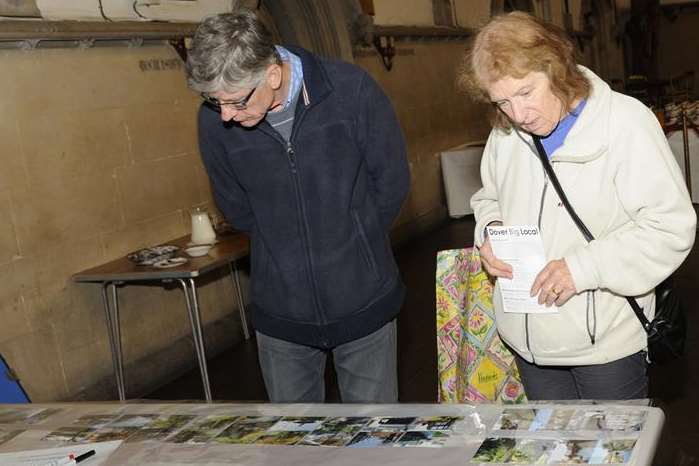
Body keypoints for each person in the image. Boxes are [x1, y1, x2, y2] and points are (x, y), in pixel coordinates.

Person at [460, 12, 696, 400]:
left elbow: (670, 227)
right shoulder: (505, 133)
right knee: (551, 453)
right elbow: (489, 196)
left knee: (612, 457)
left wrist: (582, 267)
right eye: (501, 101)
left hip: (604, 346)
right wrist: (491, 230)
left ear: (555, 69)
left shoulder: (624, 123)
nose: (518, 115)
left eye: (525, 93)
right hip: (528, 340)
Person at [185, 10, 410, 403]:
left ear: (272, 75)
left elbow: (391, 182)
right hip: (281, 313)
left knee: (377, 442)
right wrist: (282, 250)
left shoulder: (350, 90)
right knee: (294, 448)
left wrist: (357, 240)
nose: (224, 116)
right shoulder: (214, 121)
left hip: (363, 301)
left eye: (235, 102)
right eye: (213, 101)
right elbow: (236, 207)